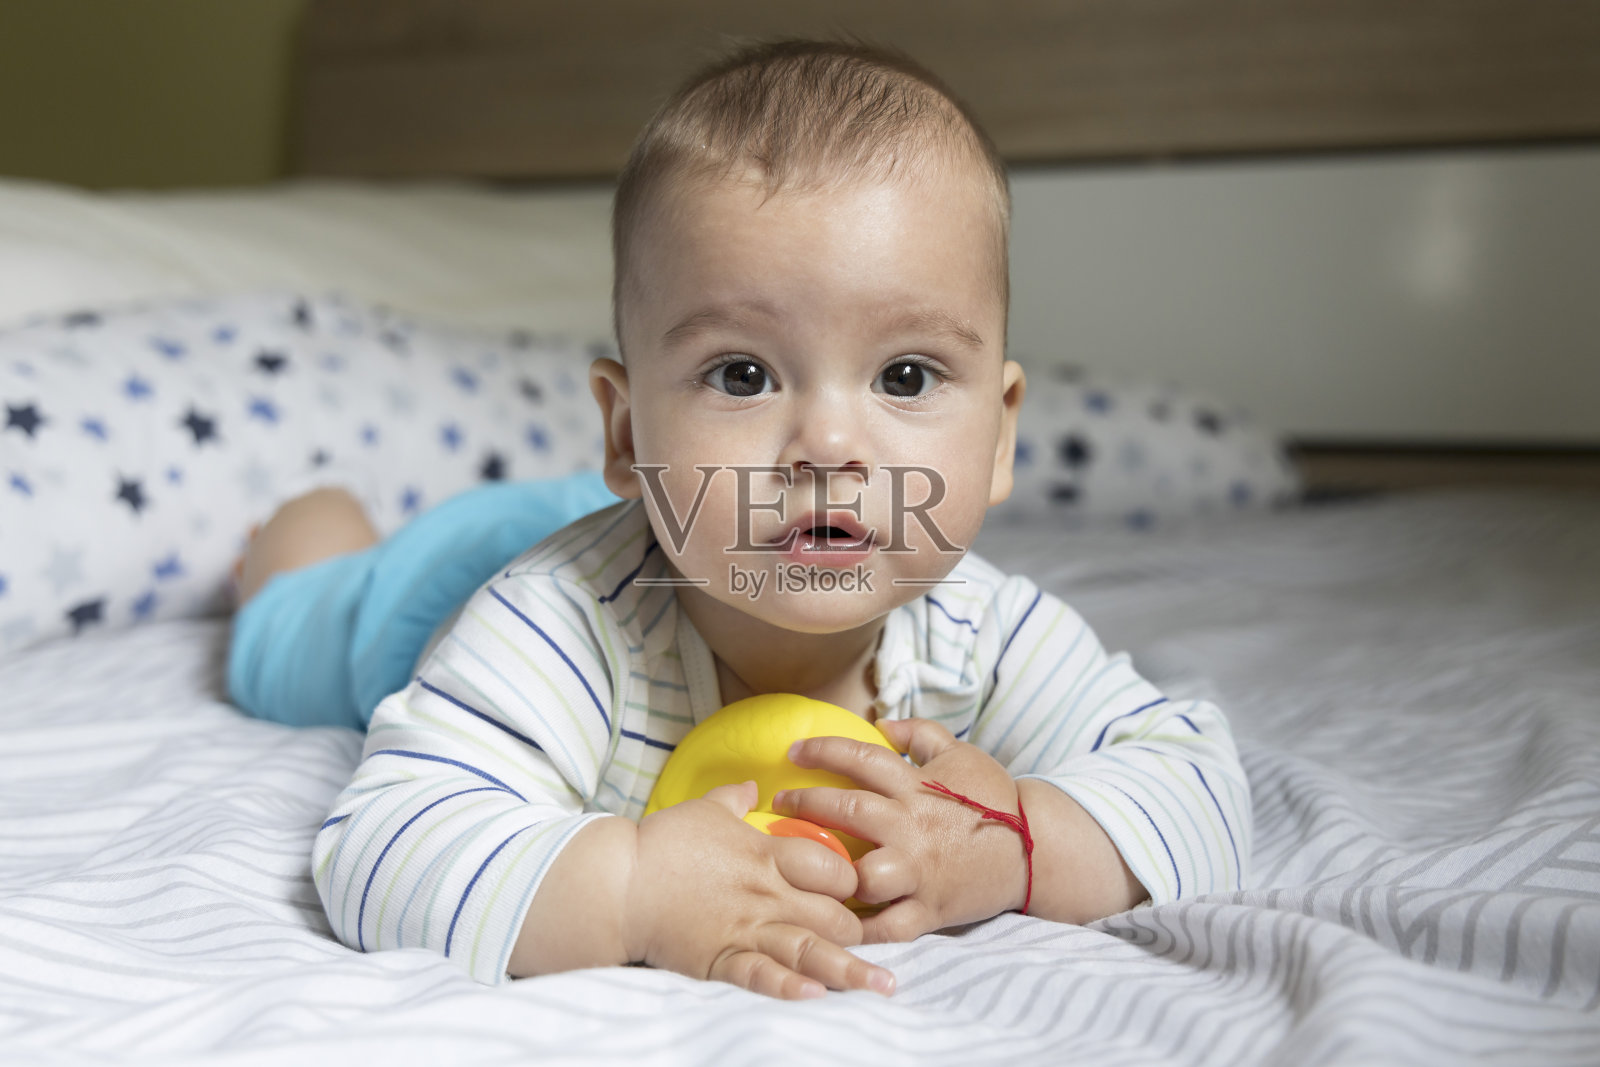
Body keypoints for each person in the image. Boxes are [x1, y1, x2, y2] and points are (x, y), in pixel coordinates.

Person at [273, 40, 1251, 1001]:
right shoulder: (554, 626)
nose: (826, 445)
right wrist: (631, 888)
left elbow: (1197, 785)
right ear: (625, 430)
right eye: (742, 374)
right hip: (435, 592)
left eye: (905, 375)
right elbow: (382, 847)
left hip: (677, 520)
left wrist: (1025, 843)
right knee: (296, 619)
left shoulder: (985, 636)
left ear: (998, 437)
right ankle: (312, 531)